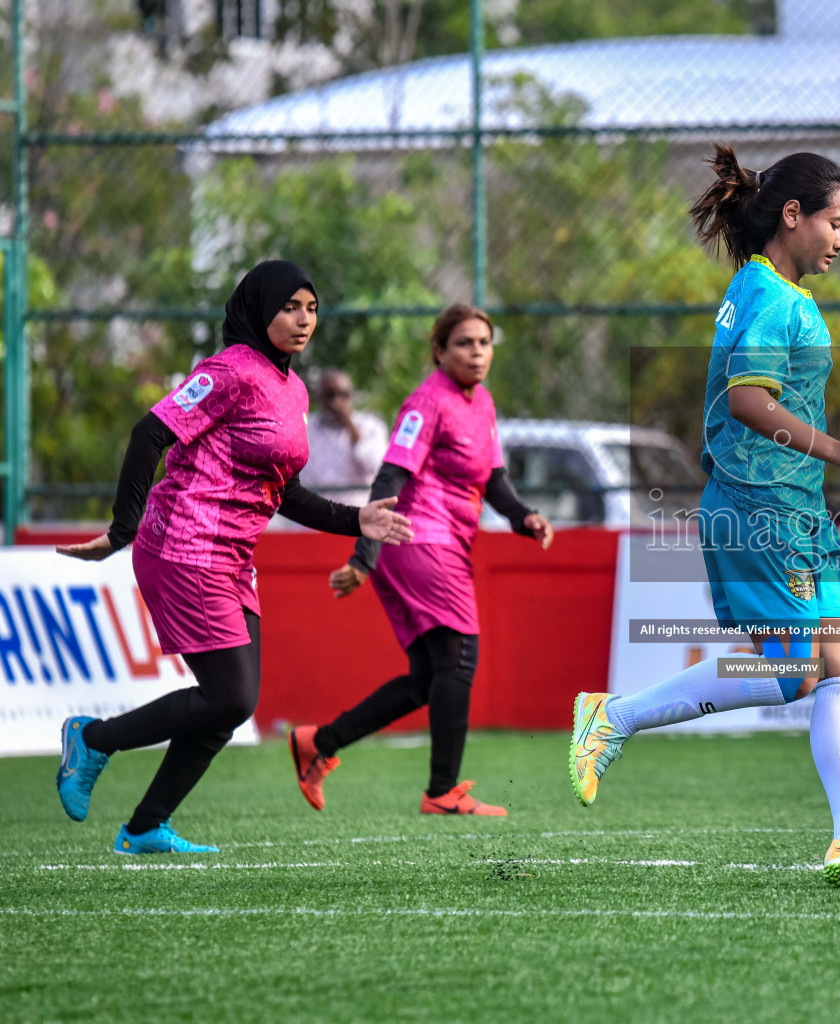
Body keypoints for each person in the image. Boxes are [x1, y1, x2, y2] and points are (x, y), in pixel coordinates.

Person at [568, 146, 840, 889]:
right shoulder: (776, 300)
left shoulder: (760, 288)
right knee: (794, 672)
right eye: (835, 224)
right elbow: (749, 398)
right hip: (761, 506)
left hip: (794, 508)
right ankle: (614, 718)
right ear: (793, 214)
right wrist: (837, 446)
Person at [54, 260, 413, 855]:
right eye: (290, 306)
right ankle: (92, 739)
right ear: (258, 308)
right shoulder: (229, 372)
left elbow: (286, 492)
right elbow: (151, 433)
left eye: (312, 308)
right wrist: (122, 530)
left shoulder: (291, 388)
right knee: (232, 697)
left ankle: (145, 827)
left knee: (224, 706)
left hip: (232, 557)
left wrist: (357, 520)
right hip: (183, 546)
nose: (303, 320)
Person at [287, 304, 554, 817]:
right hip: (416, 539)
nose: (476, 352)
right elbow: (389, 477)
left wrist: (525, 518)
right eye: (463, 343)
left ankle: (319, 742)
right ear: (439, 351)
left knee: (427, 678)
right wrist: (364, 557)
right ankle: (442, 791)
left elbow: (493, 480)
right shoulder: (426, 403)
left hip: (444, 543)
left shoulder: (482, 403)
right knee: (459, 659)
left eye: (484, 342)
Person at [304, 368, 388, 507]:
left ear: (351, 396)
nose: (336, 401)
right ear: (319, 397)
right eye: (330, 395)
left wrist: (349, 424)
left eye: (343, 394)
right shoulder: (305, 427)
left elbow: (376, 468)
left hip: (353, 516)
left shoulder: (371, 426)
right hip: (311, 519)